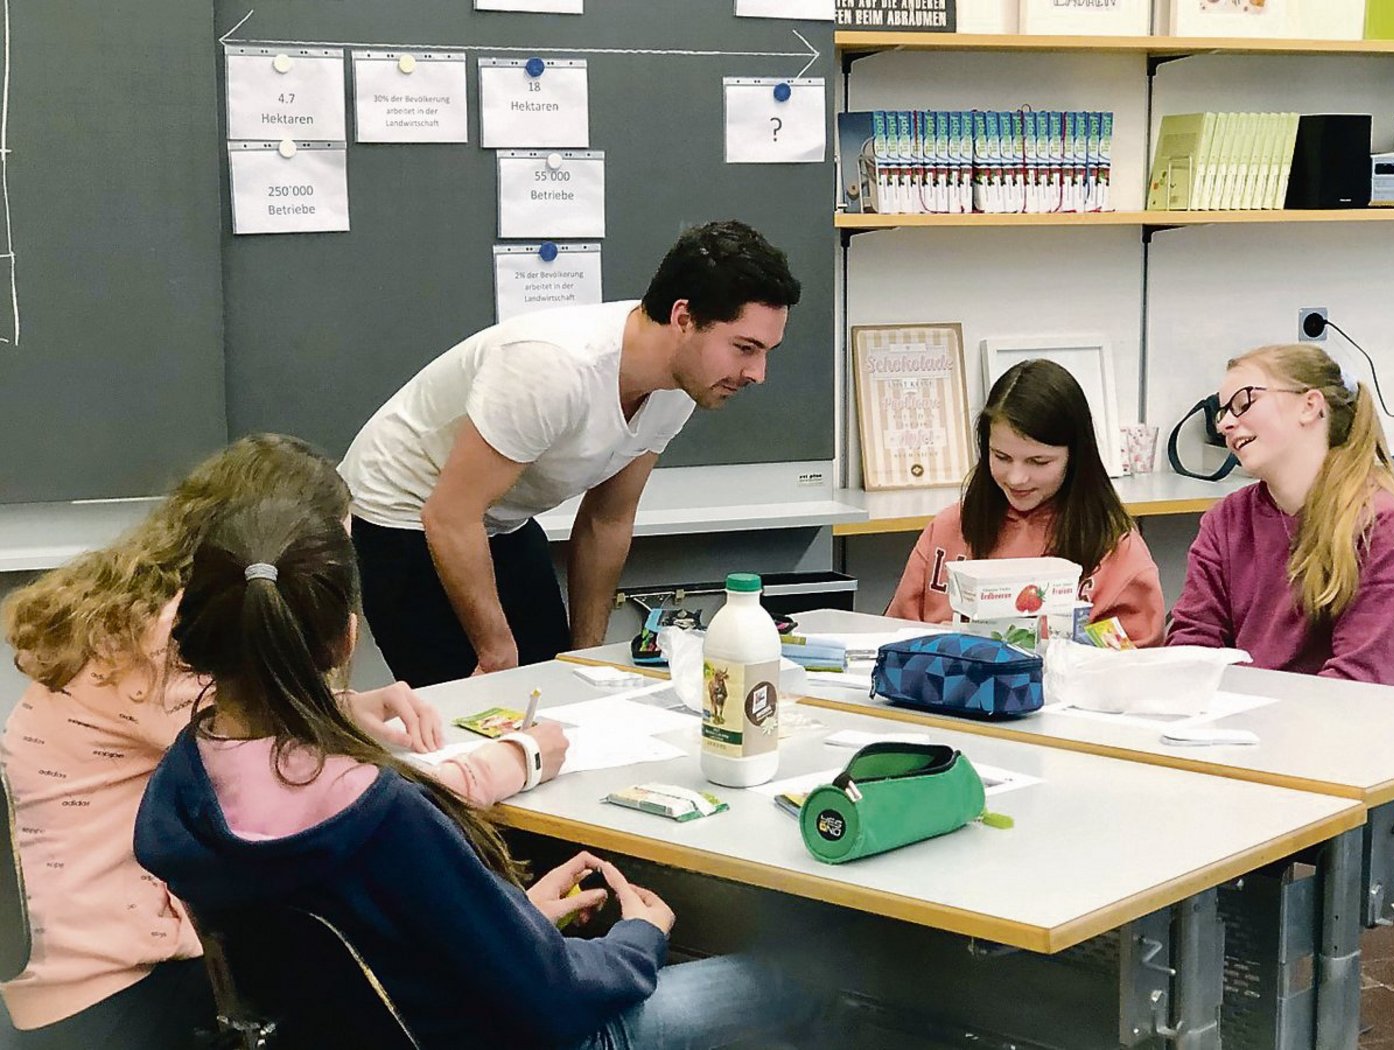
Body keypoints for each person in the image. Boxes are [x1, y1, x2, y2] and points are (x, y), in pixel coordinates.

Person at [134, 498, 816, 1050]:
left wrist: (510, 924)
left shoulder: (182, 784)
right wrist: (639, 937)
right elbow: (557, 1001)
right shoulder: (379, 813)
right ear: (346, 636)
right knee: (796, 985)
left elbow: (353, 963)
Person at [0, 435, 565, 1050]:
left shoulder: (131, 608)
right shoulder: (165, 644)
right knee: (407, 979)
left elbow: (228, 734)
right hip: (117, 991)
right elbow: (333, 807)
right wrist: (516, 759)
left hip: (67, 962)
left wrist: (345, 709)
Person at [340, 220, 803, 687]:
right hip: (403, 513)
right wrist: (496, 650)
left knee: (560, 686)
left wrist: (588, 657)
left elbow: (608, 520)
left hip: (498, 518)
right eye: (745, 348)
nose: (757, 373)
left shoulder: (681, 384)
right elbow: (450, 516)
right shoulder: (554, 369)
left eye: (767, 352)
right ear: (683, 319)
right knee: (474, 710)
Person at [887, 359, 1165, 646]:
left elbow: (1136, 670)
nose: (1017, 478)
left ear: (1075, 457)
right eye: (1001, 457)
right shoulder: (949, 529)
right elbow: (894, 639)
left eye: (1038, 461)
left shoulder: (1115, 549)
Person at [1168, 344, 1394, 683]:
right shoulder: (1227, 520)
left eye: (1244, 402)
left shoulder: (1382, 524)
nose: (1225, 425)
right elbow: (1191, 648)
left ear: (1310, 406)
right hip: (1242, 724)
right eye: (1223, 413)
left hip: (1335, 727)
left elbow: (1360, 680)